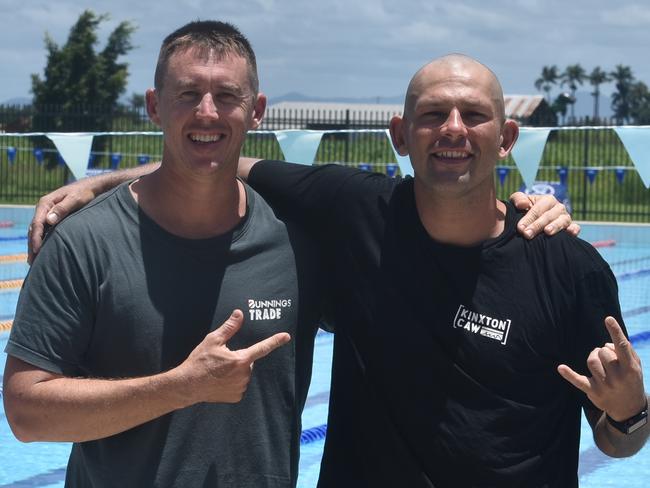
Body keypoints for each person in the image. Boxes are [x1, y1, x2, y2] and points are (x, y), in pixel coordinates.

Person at [23, 56, 600, 487]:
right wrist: (103, 183)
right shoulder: (353, 210)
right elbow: (222, 158)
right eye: (432, 115)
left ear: (507, 139)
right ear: (399, 135)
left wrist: (632, 411)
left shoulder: (564, 262)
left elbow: (625, 434)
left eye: (473, 115)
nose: (452, 129)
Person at [3, 20, 324, 488]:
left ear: (256, 111)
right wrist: (182, 387)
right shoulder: (84, 242)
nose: (207, 113)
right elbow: (26, 413)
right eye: (188, 94)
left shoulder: (299, 242)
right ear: (155, 106)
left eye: (227, 96)